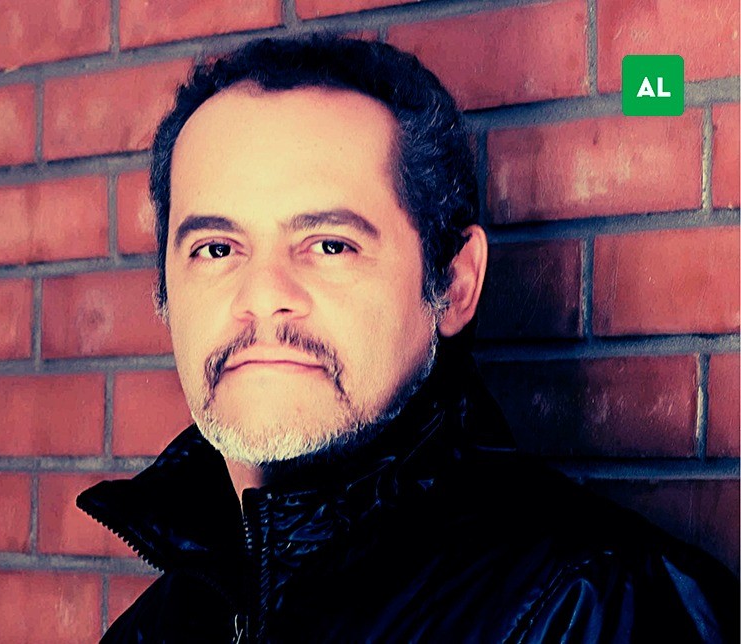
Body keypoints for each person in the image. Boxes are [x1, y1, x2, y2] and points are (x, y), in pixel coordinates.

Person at [77, 35, 739, 642]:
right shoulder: (154, 628)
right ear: (164, 293)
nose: (262, 294)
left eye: (330, 245)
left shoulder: (595, 606)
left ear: (452, 285)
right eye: (217, 249)